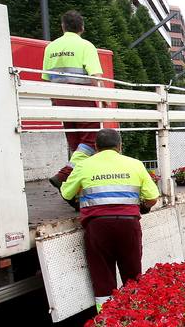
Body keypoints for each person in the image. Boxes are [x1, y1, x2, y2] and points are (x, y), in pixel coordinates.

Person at [59, 128, 158, 311]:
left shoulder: (84, 165)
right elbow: (152, 198)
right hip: (129, 225)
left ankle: (106, 321)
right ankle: (135, 315)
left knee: (102, 274)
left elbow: (66, 192)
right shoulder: (135, 164)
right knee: (132, 273)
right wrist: (143, 208)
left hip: (97, 227)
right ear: (120, 146)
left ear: (96, 146)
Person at [45, 10, 105, 190]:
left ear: (63, 27)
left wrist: (55, 101)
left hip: (60, 100)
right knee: (90, 141)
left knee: (74, 143)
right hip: (82, 99)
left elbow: (46, 79)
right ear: (82, 28)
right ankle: (64, 175)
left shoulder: (50, 47)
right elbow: (96, 75)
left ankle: (74, 190)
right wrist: (104, 99)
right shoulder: (86, 46)